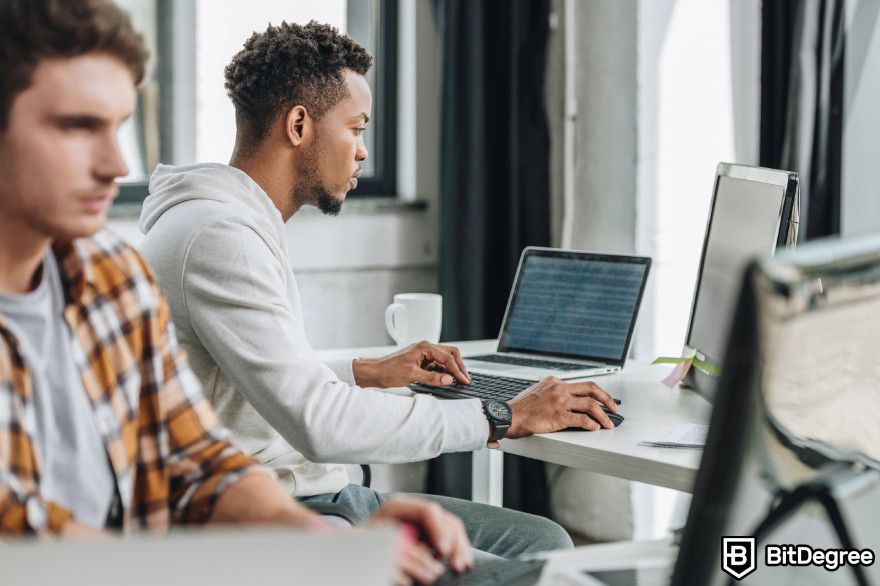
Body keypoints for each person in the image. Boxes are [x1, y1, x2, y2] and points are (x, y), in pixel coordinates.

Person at [0, 2, 473, 583]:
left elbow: (200, 459)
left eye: (117, 127)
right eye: (77, 126)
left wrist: (315, 535)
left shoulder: (113, 285)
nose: (115, 164)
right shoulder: (212, 236)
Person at [138, 20, 620, 558]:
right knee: (537, 565)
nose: (364, 151)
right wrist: (503, 415)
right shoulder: (219, 238)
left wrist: (366, 373)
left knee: (543, 540)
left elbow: (253, 381)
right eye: (357, 128)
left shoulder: (222, 222)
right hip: (286, 516)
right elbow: (320, 424)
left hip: (320, 495)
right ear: (299, 125)